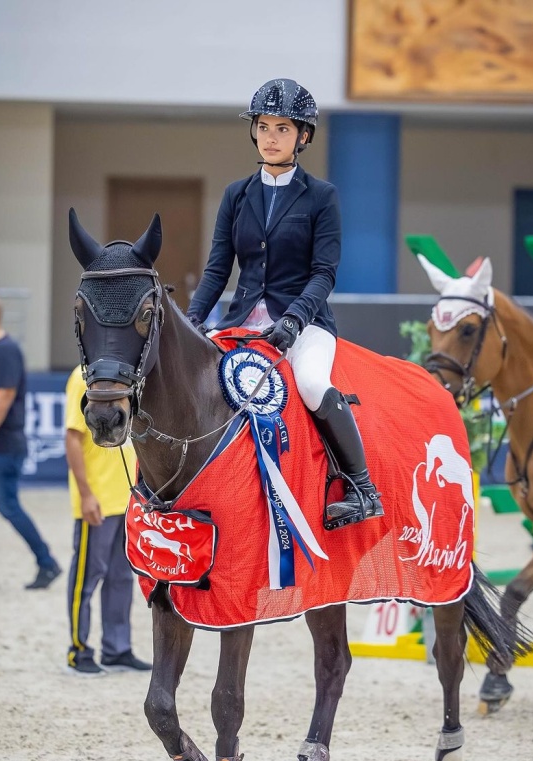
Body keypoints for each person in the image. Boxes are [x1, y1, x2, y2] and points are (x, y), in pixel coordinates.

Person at [187, 77, 384, 527]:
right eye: (263, 126)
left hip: (305, 323)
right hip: (242, 321)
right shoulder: (236, 195)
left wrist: (295, 320)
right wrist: (194, 317)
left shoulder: (321, 197)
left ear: (303, 136)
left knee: (313, 384)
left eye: (282, 129)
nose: (271, 137)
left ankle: (361, 487)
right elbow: (219, 268)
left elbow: (324, 273)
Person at [0, 293, 62, 589]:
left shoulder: (5, 350)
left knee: (8, 507)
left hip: (0, 448)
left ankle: (47, 562)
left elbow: (4, 397)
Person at [64, 366, 152, 676]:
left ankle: (117, 648)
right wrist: (86, 494)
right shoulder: (82, 377)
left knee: (121, 578)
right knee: (87, 577)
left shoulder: (125, 376)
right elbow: (73, 438)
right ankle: (79, 650)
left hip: (126, 498)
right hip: (98, 498)